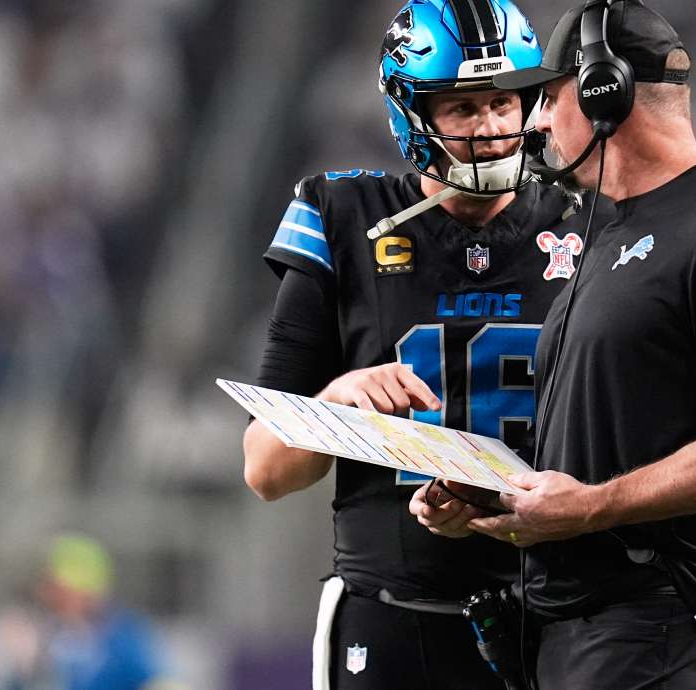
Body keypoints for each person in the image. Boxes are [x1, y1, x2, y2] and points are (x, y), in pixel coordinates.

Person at [412, 2, 696, 688]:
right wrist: (496, 495)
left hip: (664, 633)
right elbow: (598, 439)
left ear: (605, 90)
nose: (535, 120)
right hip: (576, 636)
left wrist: (591, 506)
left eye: (548, 96)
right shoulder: (605, 236)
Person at [239, 1, 605, 687]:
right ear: (412, 113)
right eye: (463, 109)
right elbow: (265, 470)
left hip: (561, 615)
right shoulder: (342, 218)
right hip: (392, 616)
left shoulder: (595, 224)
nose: (492, 128)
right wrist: (336, 402)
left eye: (505, 102)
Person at [0, 534, 175, 690]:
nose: (54, 597)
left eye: (64, 590)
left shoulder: (123, 636)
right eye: (52, 588)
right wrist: (26, 666)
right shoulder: (31, 631)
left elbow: (156, 680)